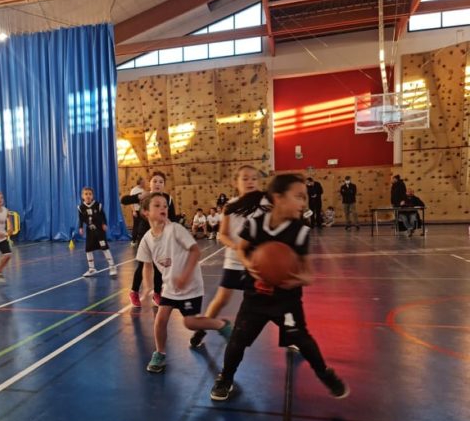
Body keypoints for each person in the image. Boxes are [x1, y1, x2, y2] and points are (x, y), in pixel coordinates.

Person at [210, 173, 349, 401]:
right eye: (299, 197)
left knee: (302, 339)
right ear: (278, 198)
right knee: (237, 341)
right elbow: (241, 249)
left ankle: (325, 374)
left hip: (286, 302)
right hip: (255, 299)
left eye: (305, 197)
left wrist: (297, 279)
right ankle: (225, 378)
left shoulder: (300, 231)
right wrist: (249, 264)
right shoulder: (255, 225)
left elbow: (308, 274)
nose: (304, 203)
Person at [137, 192, 232, 373]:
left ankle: (222, 325)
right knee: (160, 320)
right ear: (145, 212)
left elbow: (195, 251)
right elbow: (147, 266)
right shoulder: (147, 239)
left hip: (190, 286)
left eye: (165, 205)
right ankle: (160, 353)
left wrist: (185, 277)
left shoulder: (175, 229)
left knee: (190, 323)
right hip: (170, 288)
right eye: (157, 205)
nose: (163, 208)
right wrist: (148, 287)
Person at [189, 165, 268, 348]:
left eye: (254, 178)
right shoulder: (230, 206)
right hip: (234, 262)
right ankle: (201, 330)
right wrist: (237, 247)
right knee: (221, 299)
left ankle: (291, 336)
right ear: (235, 183)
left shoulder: (265, 204)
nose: (250, 182)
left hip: (256, 263)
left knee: (271, 301)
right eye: (245, 178)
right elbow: (222, 235)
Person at [121, 171, 177, 307]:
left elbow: (173, 218)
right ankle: (134, 292)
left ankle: (157, 294)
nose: (158, 184)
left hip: (161, 236)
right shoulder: (144, 197)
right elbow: (124, 200)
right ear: (150, 183)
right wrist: (138, 196)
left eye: (161, 182)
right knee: (142, 264)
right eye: (155, 181)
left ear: (164, 185)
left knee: (159, 266)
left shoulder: (168, 199)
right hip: (145, 235)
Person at [78, 186, 117, 276]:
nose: (88, 196)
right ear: (82, 196)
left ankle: (112, 267)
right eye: (86, 194)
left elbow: (103, 216)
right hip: (90, 231)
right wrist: (80, 227)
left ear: (93, 196)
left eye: (90, 194)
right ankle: (91, 269)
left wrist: (104, 224)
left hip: (99, 231)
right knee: (88, 249)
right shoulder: (81, 207)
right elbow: (81, 219)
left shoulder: (97, 205)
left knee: (104, 247)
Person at [129, 176, 146, 246]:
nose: (144, 183)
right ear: (140, 182)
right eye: (143, 182)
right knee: (136, 225)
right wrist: (134, 211)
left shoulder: (143, 190)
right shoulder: (134, 190)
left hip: (142, 210)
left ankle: (140, 240)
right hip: (136, 210)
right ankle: (133, 241)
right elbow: (131, 202)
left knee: (142, 226)